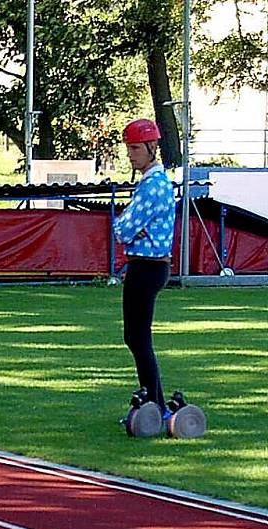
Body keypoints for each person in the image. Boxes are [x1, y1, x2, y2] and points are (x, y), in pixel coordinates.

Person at [114, 118, 177, 420]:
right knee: (136, 336)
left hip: (146, 266)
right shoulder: (152, 184)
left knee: (138, 337)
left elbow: (123, 229)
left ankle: (157, 406)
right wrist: (127, 227)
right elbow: (126, 227)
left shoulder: (153, 187)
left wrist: (128, 228)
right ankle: (154, 403)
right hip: (146, 266)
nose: (130, 154)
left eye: (136, 148)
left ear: (153, 148)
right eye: (129, 148)